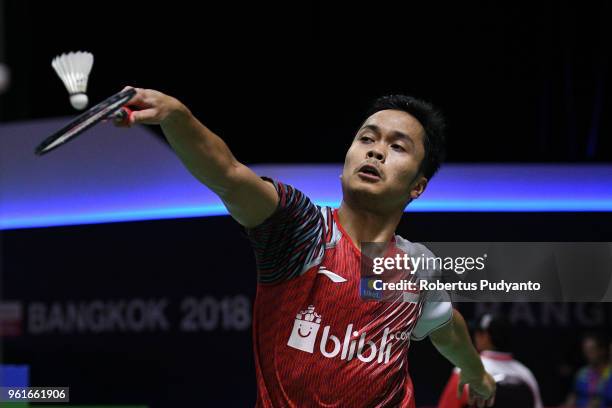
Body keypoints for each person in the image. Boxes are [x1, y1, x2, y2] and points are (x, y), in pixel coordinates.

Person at [117, 88, 496, 407]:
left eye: (397, 146)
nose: (375, 151)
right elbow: (228, 175)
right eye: (366, 138)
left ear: (418, 186)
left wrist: (477, 376)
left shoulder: (414, 266)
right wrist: (176, 116)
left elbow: (446, 329)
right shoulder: (302, 230)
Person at [438, 313, 543, 408]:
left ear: (485, 337)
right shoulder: (526, 375)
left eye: (478, 333)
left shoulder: (467, 369)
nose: (475, 337)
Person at [564, 332, 612, 408]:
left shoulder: (610, 373)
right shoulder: (582, 373)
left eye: (592, 349)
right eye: (585, 350)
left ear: (602, 350)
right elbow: (572, 397)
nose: (588, 353)